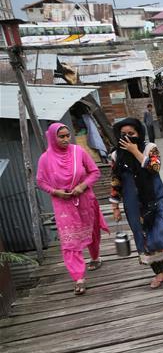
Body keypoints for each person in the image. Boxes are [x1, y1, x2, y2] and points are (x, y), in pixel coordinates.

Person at [110, 118, 163, 290]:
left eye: (132, 134)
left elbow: (154, 168)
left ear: (139, 133)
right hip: (132, 202)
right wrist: (115, 205)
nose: (128, 137)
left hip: (154, 198)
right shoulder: (116, 155)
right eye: (124, 135)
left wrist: (135, 151)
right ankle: (159, 274)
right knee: (144, 238)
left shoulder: (149, 148)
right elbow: (116, 180)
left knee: (160, 234)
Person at [36, 123, 109, 295]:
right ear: (53, 138)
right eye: (61, 136)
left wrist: (82, 186)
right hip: (63, 204)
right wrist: (56, 192)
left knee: (91, 231)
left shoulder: (78, 152)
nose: (65, 139)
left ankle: (95, 257)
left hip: (84, 199)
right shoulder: (45, 159)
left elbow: (95, 172)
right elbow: (40, 181)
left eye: (67, 135)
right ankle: (78, 278)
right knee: (70, 240)